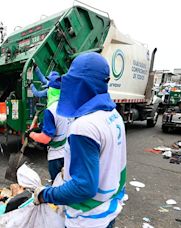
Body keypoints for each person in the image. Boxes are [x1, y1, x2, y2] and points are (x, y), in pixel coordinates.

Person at [35, 52, 127, 228]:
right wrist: (69, 169)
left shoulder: (84, 126)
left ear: (78, 84)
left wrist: (45, 194)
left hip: (87, 219)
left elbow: (84, 187)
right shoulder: (113, 115)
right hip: (108, 210)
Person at [29, 73, 69, 181]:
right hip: (68, 152)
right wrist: (36, 69)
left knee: (56, 184)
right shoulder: (69, 106)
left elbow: (46, 139)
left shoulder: (50, 111)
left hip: (56, 156)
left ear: (50, 90)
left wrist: (31, 134)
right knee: (66, 182)